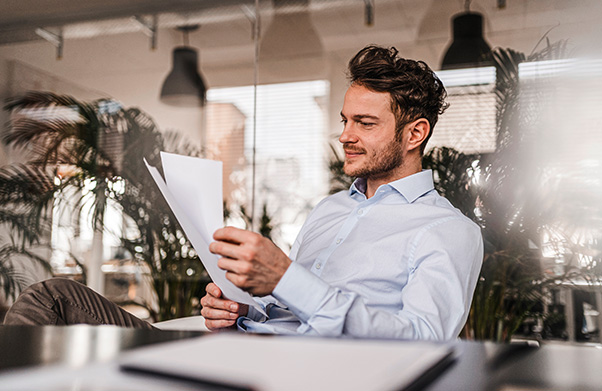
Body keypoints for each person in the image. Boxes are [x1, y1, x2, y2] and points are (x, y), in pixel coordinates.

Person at [4, 45, 483, 341]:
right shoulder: (333, 210)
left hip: (293, 373)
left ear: (414, 132)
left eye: (365, 122)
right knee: (55, 297)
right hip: (235, 344)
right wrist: (241, 308)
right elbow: (287, 307)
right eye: (344, 120)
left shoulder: (448, 231)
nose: (346, 135)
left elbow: (424, 339)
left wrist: (286, 277)